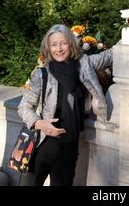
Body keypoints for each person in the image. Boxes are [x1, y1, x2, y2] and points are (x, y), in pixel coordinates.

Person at [18, 24, 113, 186]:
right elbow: (24, 107)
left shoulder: (85, 65)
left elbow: (112, 55)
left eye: (63, 43)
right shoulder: (41, 74)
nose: (59, 49)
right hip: (42, 145)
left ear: (71, 43)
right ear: (48, 48)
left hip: (69, 146)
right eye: (53, 44)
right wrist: (40, 124)